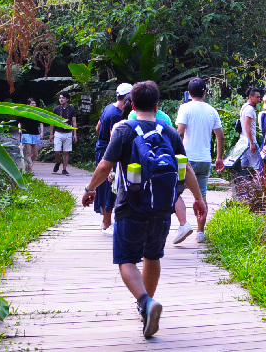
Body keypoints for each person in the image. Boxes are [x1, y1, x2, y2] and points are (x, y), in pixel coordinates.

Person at [81, 81, 207, 340]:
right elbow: (187, 168)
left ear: (132, 105)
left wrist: (89, 188)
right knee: (153, 256)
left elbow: (105, 165)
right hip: (162, 208)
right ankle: (145, 308)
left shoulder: (124, 129)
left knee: (126, 260)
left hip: (130, 207)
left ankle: (145, 303)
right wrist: (198, 198)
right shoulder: (169, 132)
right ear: (157, 105)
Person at [173, 77, 224, 244]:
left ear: (188, 93)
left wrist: (174, 153)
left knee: (175, 192)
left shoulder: (185, 108)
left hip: (186, 160)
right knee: (201, 196)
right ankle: (201, 233)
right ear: (205, 92)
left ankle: (184, 224)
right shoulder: (212, 111)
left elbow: (180, 133)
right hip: (204, 159)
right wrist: (219, 158)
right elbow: (220, 136)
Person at [93, 83, 132, 235]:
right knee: (110, 187)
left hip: (100, 149)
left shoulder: (109, 107)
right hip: (108, 152)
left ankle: (105, 222)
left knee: (105, 186)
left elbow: (98, 128)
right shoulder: (117, 114)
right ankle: (107, 225)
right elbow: (113, 138)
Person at [226, 86, 263, 186]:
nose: (259, 99)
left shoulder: (244, 107)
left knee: (244, 167)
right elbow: (247, 126)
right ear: (251, 97)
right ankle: (261, 189)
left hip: (242, 143)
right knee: (258, 168)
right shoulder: (250, 110)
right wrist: (251, 143)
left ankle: (244, 187)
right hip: (249, 142)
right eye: (257, 97)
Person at [51, 93, 78, 175]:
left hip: (68, 133)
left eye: (63, 98)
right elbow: (52, 122)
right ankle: (58, 161)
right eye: (60, 98)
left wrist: (75, 134)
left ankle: (64, 169)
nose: (61, 99)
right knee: (57, 150)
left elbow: (74, 122)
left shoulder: (72, 110)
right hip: (58, 132)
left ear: (67, 99)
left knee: (66, 151)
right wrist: (51, 134)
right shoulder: (56, 109)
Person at [17, 97, 44, 174]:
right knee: (28, 153)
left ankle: (28, 165)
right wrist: (19, 129)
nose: (34, 105)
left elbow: (41, 123)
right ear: (28, 104)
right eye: (32, 103)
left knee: (35, 154)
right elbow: (20, 122)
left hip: (36, 134)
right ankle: (31, 169)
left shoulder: (37, 113)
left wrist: (42, 133)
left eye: (34, 103)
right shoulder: (24, 113)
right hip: (26, 133)